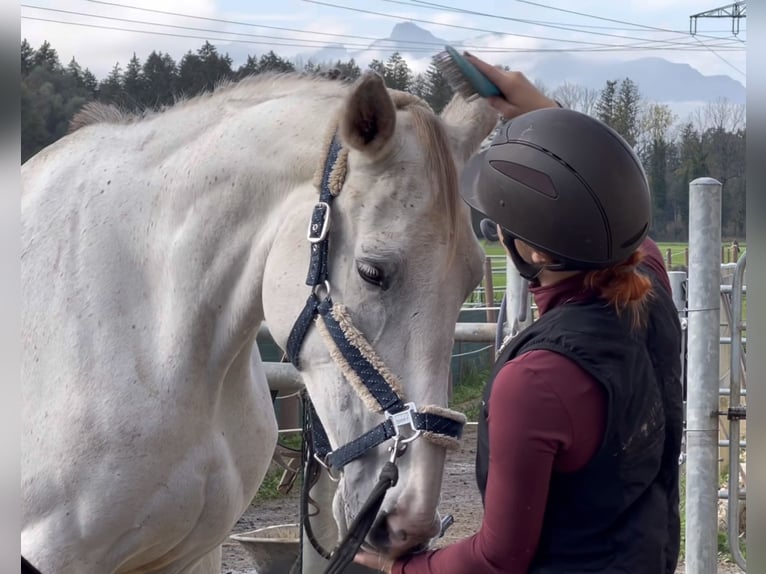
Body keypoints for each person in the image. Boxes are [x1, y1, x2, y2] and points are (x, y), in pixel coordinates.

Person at [354, 53, 684, 574]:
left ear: (532, 253)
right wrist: (543, 118)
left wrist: (397, 568)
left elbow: (497, 558)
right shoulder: (651, 293)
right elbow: (615, 208)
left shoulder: (535, 381)